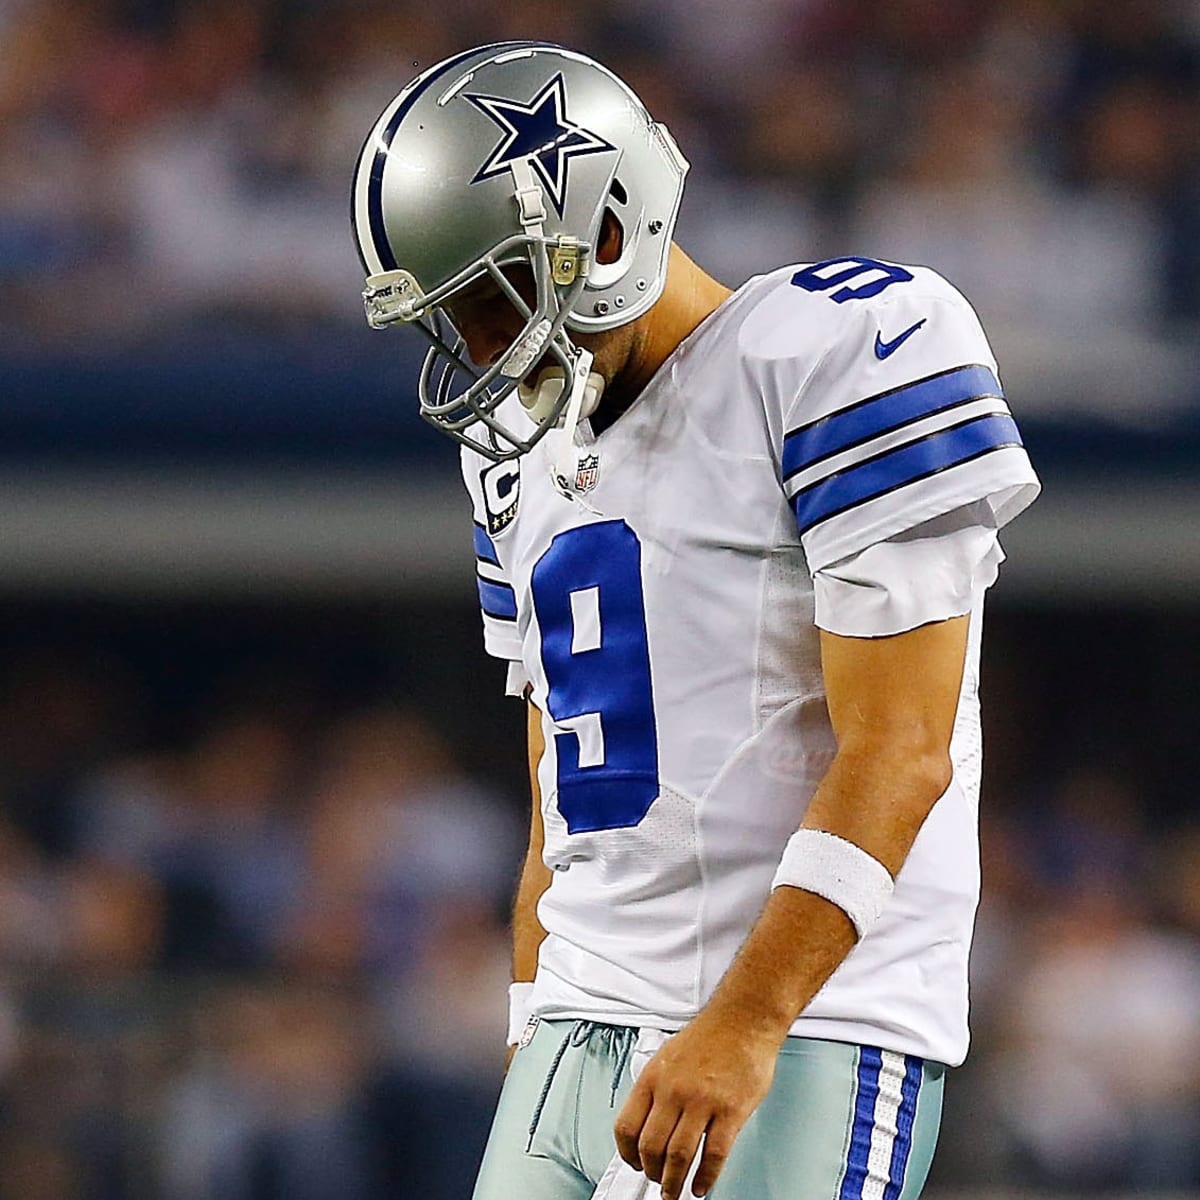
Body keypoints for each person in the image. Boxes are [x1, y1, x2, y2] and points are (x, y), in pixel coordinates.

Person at [350, 41, 1040, 1200]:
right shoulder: (515, 462)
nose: (476, 353)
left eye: (487, 299)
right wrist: (535, 1029)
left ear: (601, 228)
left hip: (803, 1022)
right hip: (580, 1030)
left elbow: (902, 750)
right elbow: (558, 804)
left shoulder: (839, 347)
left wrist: (747, 1021)